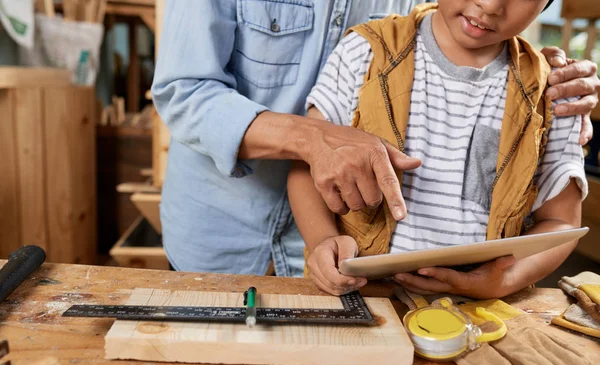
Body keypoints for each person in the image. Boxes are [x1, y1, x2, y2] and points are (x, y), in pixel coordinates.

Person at [152, 0, 599, 277]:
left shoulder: (533, 82)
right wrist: (313, 142)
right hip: (224, 235)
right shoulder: (363, 50)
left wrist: (542, 83)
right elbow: (184, 91)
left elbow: (461, 36)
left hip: (361, 274)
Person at [288, 0, 592, 299]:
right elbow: (306, 167)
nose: (490, 5)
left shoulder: (556, 93)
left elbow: (561, 222)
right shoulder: (364, 52)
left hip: (477, 311)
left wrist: (502, 280)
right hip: (358, 295)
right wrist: (322, 241)